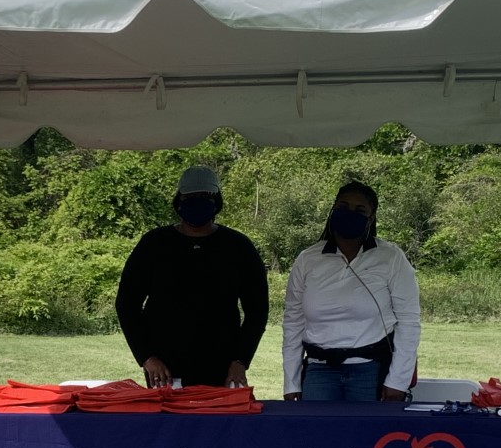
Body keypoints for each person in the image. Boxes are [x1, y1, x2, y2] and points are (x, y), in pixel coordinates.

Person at [115, 166, 269, 388]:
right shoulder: (154, 244)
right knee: (168, 423)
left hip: (223, 369)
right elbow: (127, 304)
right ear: (178, 200)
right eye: (190, 197)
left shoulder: (238, 247)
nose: (197, 202)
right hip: (165, 371)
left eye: (204, 197)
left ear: (217, 200)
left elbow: (258, 311)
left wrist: (240, 361)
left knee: (221, 423)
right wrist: (147, 358)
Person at [281, 180, 420, 402]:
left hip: (370, 372)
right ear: (332, 210)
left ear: (371, 218)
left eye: (359, 210)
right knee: (316, 435)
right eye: (343, 207)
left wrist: (397, 382)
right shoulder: (307, 260)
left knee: (368, 436)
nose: (350, 213)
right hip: (319, 372)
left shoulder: (391, 257)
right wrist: (291, 382)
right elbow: (293, 323)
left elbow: (409, 322)